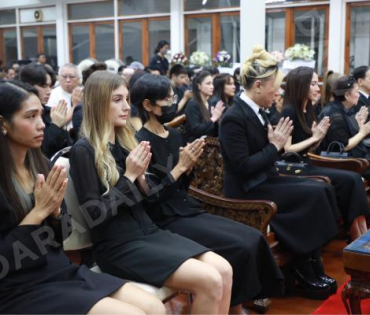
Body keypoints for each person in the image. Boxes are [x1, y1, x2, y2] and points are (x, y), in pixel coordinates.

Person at [69, 70, 233, 314]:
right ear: (98, 103)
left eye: (126, 98)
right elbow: (94, 214)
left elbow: (148, 197)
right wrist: (129, 177)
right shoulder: (83, 150)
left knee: (224, 270)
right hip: (117, 245)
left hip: (148, 232)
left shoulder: (125, 142)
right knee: (209, 280)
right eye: (117, 100)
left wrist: (161, 173)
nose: (126, 107)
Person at [0, 80, 165, 315]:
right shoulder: (80, 151)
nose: (41, 125)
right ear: (3, 123)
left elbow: (61, 235)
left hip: (56, 268)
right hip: (16, 285)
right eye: (30, 117)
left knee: (154, 307)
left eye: (41, 115)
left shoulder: (42, 165)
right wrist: (38, 213)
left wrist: (56, 215)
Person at [134, 74, 285, 315]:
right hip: (164, 218)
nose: (172, 104)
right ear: (148, 105)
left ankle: (238, 303)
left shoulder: (173, 135)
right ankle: (235, 309)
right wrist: (180, 168)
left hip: (187, 208)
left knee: (251, 237)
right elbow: (152, 198)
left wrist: (189, 169)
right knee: (237, 246)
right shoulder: (139, 141)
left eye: (173, 98)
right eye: (166, 100)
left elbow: (182, 187)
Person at [220, 46, 340, 300]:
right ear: (259, 86)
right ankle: (302, 265)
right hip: (247, 188)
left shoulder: (259, 112)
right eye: (275, 86)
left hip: (266, 178)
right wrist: (274, 145)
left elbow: (268, 153)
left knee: (321, 187)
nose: (278, 92)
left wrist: (274, 145)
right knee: (312, 195)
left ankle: (309, 260)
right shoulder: (234, 117)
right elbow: (243, 167)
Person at [282, 66, 369, 241]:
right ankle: (355, 235)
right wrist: (314, 138)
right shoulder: (289, 111)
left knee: (351, 179)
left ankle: (361, 232)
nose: (317, 88)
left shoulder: (308, 109)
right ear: (302, 86)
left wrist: (317, 139)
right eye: (313, 84)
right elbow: (286, 150)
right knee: (350, 179)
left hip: (308, 162)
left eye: (317, 83)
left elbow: (311, 146)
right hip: (294, 167)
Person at [320, 76, 370, 177]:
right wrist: (362, 133)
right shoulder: (335, 114)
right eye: (356, 92)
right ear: (347, 95)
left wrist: (359, 124)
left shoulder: (341, 109)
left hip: (351, 159)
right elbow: (344, 146)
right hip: (342, 163)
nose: (358, 96)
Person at [20, 63, 71, 158]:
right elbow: (42, 151)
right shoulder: (21, 114)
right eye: (44, 86)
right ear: (28, 86)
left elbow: (68, 149)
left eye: (50, 86)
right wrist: (55, 125)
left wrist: (62, 127)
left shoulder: (50, 112)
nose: (49, 91)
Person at [185, 71, 225, 142]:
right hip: (196, 146)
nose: (212, 86)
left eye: (212, 83)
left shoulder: (210, 103)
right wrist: (213, 118)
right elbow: (196, 130)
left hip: (210, 144)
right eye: (208, 84)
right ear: (199, 86)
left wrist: (217, 120)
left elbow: (214, 132)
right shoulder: (192, 104)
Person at [46, 63, 83, 130]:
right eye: (64, 77)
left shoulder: (84, 92)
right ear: (59, 77)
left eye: (71, 77)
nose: (68, 80)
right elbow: (57, 123)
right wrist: (75, 106)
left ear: (78, 78)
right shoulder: (52, 94)